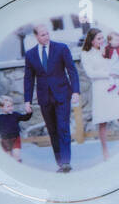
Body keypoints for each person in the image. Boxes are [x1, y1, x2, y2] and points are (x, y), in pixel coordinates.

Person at [22, 23, 80, 172]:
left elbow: (72, 71)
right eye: (42, 35)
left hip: (62, 95)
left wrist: (75, 91)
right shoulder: (30, 54)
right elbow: (28, 79)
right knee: (52, 130)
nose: (46, 36)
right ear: (36, 37)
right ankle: (60, 163)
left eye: (47, 33)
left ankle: (66, 162)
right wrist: (27, 100)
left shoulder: (61, 48)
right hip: (44, 98)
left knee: (63, 127)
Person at [80, 28, 119, 161]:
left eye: (102, 38)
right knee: (103, 122)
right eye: (98, 39)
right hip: (100, 88)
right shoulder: (86, 54)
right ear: (91, 41)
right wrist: (107, 74)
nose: (101, 40)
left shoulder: (108, 48)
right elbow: (90, 73)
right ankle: (105, 151)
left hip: (113, 85)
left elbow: (117, 60)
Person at [0, 95, 33, 162]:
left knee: (16, 155)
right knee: (8, 157)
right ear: (1, 107)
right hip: (5, 140)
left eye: (12, 106)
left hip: (16, 138)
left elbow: (25, 118)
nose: (11, 108)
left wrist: (29, 113)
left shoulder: (15, 115)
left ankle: (18, 166)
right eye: (8, 106)